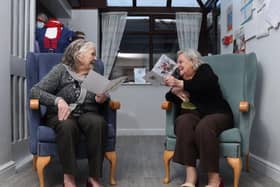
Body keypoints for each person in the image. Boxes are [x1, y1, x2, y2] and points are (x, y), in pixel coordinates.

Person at [31, 39, 108, 187]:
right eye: (92, 54)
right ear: (79, 56)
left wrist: (102, 98)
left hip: (87, 112)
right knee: (67, 127)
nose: (95, 58)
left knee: (98, 123)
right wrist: (58, 101)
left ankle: (94, 178)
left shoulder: (94, 71)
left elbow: (104, 96)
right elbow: (35, 91)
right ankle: (69, 178)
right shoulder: (61, 70)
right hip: (61, 114)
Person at [164, 49, 233, 187]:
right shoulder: (181, 80)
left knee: (204, 126)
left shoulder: (204, 70)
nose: (178, 65)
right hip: (195, 115)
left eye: (181, 61)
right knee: (183, 122)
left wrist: (180, 84)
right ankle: (191, 178)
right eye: (178, 62)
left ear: (192, 61)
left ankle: (215, 180)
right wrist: (174, 92)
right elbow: (169, 98)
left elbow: (205, 84)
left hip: (217, 113)